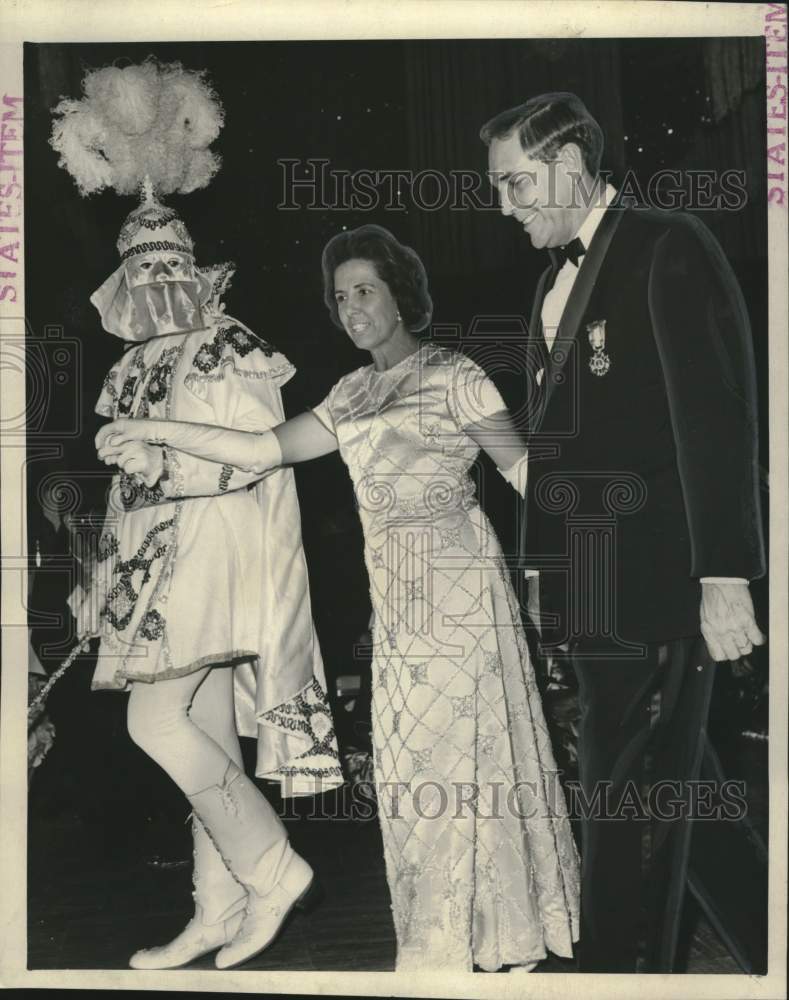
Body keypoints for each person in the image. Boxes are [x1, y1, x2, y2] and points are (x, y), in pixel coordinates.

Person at [97, 224, 581, 973]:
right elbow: (260, 450)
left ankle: (459, 944)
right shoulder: (350, 394)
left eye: (365, 291)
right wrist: (154, 429)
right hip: (394, 598)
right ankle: (453, 935)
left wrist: (601, 552)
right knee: (407, 766)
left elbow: (530, 480)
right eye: (340, 296)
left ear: (401, 297)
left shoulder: (454, 374)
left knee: (462, 756)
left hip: (459, 586)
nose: (352, 307)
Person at [480, 92, 766, 972]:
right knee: (677, 793)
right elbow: (561, 449)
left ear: (569, 165)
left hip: (662, 579)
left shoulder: (665, 244)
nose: (504, 205)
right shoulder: (547, 283)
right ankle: (769, 941)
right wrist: (544, 575)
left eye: (514, 182)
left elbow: (713, 418)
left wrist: (723, 575)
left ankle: (615, 974)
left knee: (622, 789)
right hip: (596, 585)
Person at [80, 196, 343, 971]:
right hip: (149, 565)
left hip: (212, 551)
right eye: (141, 269)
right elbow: (124, 491)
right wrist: (99, 577)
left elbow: (260, 453)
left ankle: (272, 868)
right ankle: (218, 907)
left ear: (196, 270)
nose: (157, 282)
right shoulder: (128, 365)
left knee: (153, 722)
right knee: (204, 729)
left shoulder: (231, 344)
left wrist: (165, 463)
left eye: (170, 265)